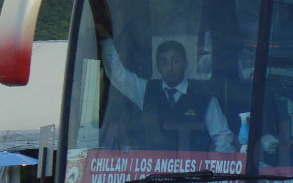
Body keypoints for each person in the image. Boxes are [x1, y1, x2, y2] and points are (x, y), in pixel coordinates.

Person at [100, 38, 235, 152]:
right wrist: (105, 38)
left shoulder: (204, 98)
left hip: (196, 177)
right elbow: (118, 75)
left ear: (185, 63)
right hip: (154, 177)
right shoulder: (146, 90)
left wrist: (212, 171)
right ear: (158, 66)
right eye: (164, 62)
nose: (170, 68)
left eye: (175, 61)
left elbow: (223, 138)